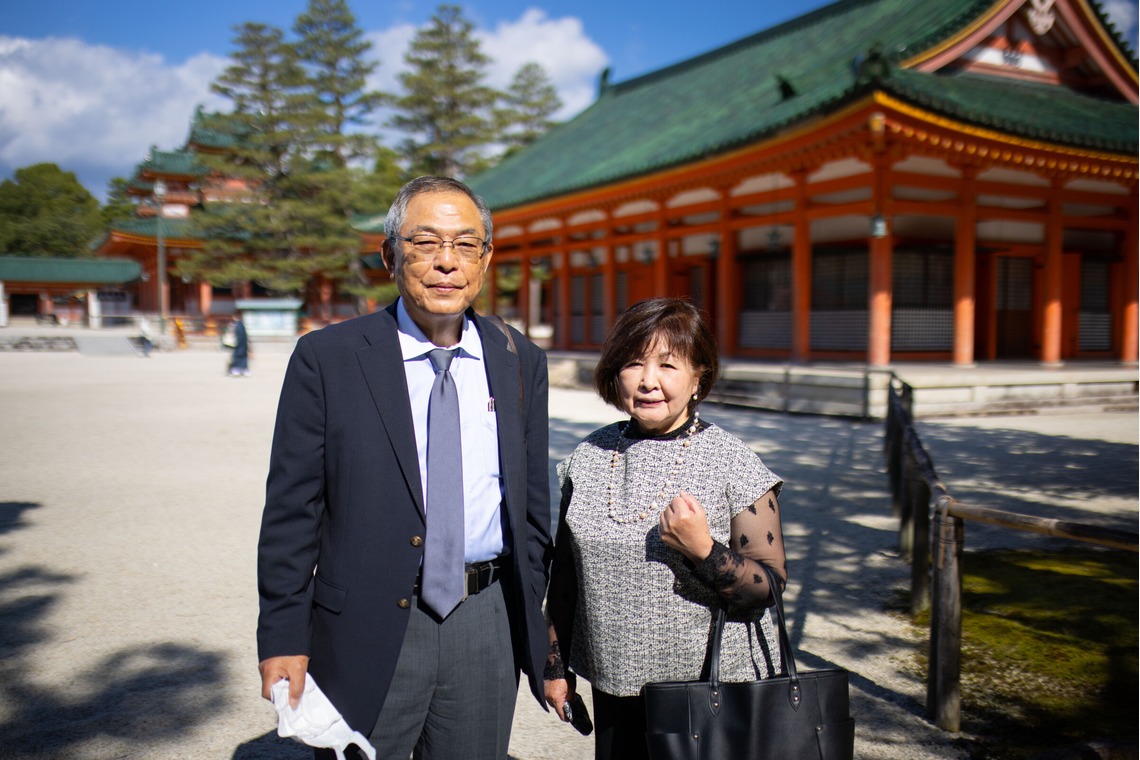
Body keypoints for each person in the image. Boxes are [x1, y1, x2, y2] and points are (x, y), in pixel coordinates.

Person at [256, 176, 552, 760]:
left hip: (484, 619)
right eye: (426, 243)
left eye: (467, 245)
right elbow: (293, 511)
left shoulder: (519, 360)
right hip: (368, 617)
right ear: (390, 255)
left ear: (487, 259)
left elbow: (532, 505)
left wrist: (536, 629)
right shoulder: (329, 359)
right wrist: (284, 635)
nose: (447, 263)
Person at [543, 298, 788, 760]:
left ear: (698, 377)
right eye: (633, 363)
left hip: (711, 689)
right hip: (615, 684)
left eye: (668, 365)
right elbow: (565, 574)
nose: (648, 380)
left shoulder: (732, 460)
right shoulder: (588, 457)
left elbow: (769, 587)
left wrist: (704, 549)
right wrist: (555, 667)